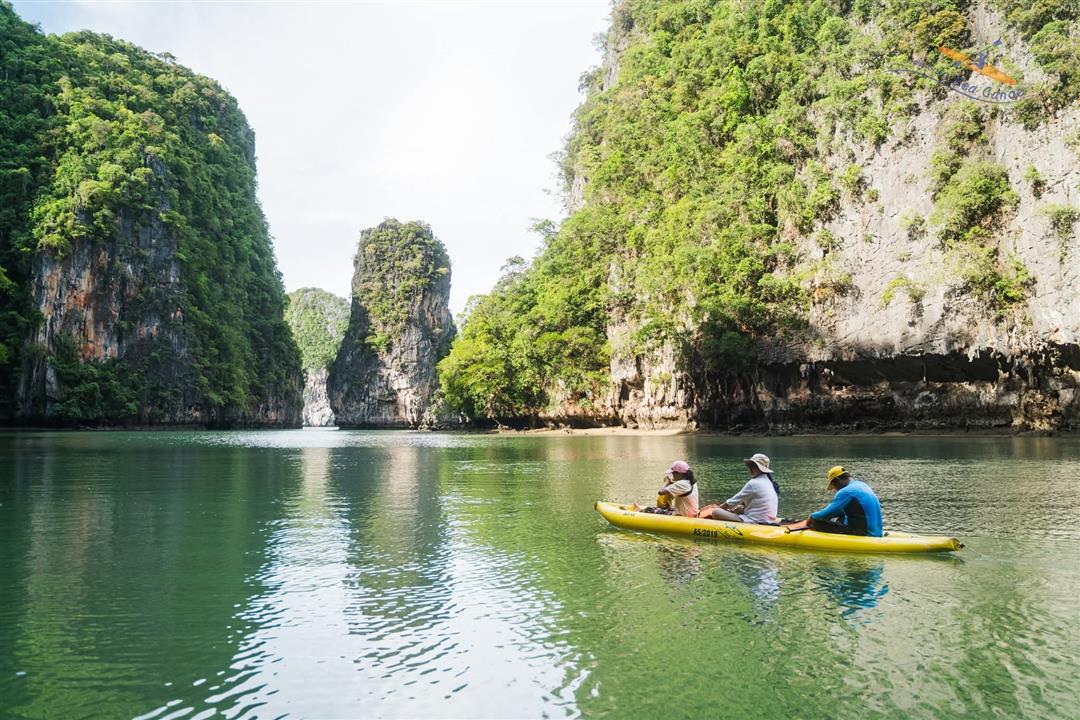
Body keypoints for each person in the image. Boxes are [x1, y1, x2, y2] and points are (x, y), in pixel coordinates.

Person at [699, 453, 779, 524]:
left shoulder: (753, 483)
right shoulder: (770, 482)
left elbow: (731, 502)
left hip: (755, 521)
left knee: (716, 512)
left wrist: (717, 509)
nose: (748, 468)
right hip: (768, 519)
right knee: (739, 509)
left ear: (754, 467)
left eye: (750, 466)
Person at [808, 466, 882, 537]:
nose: (835, 489)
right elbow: (841, 511)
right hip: (876, 532)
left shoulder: (846, 491)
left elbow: (826, 514)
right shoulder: (862, 485)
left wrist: (812, 517)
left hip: (864, 534)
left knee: (816, 522)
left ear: (837, 480)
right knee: (842, 514)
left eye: (834, 485)